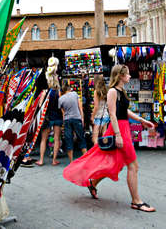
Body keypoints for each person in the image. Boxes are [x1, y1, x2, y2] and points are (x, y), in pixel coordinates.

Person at [63, 65, 156, 212]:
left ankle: (92, 183)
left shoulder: (120, 91)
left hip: (123, 128)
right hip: (119, 129)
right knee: (133, 165)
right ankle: (136, 201)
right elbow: (112, 114)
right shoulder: (112, 91)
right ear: (120, 75)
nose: (130, 76)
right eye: (127, 74)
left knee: (113, 162)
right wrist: (118, 135)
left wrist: (141, 120)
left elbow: (125, 111)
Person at [35, 80, 63, 166]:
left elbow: (40, 106)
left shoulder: (45, 92)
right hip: (58, 117)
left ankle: (41, 160)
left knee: (43, 139)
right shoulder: (59, 92)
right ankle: (54, 160)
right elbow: (61, 105)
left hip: (47, 118)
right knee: (56, 138)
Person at [58, 83, 87, 163]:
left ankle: (71, 161)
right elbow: (80, 107)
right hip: (77, 118)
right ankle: (86, 159)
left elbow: (63, 112)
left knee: (69, 140)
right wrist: (82, 118)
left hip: (67, 120)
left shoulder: (61, 99)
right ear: (69, 88)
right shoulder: (75, 94)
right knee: (81, 138)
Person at [91, 75, 110, 145]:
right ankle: (105, 150)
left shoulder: (96, 92)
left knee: (95, 137)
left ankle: (97, 152)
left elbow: (96, 106)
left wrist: (92, 116)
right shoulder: (106, 90)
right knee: (104, 134)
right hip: (105, 115)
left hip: (98, 116)